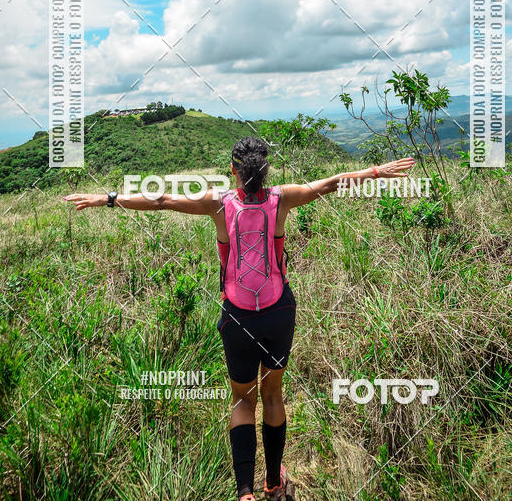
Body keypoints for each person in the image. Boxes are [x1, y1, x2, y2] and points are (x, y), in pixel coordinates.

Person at [64, 136, 415, 500]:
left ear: (233, 170)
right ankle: (274, 485)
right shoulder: (283, 198)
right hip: (279, 312)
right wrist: (377, 171)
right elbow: (331, 182)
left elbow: (162, 200)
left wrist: (107, 199)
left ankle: (245, 493)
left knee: (242, 401)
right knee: (273, 393)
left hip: (237, 317)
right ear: (266, 171)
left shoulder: (218, 203)